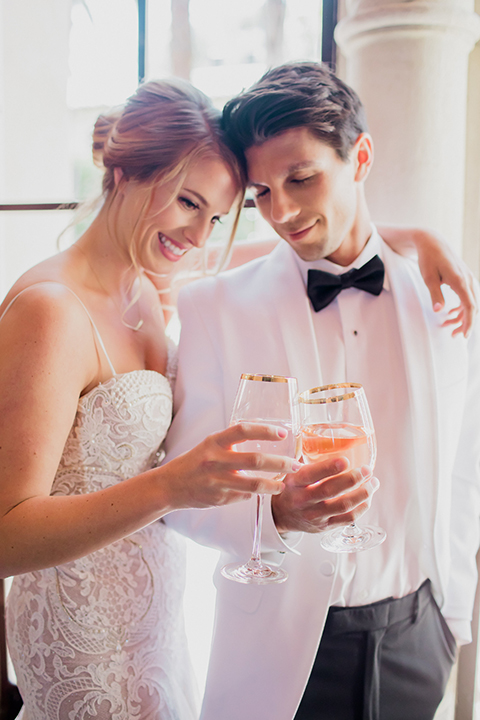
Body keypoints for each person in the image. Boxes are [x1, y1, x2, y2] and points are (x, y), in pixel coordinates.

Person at [164, 62, 480, 720]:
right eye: (262, 193)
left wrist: (452, 620)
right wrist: (274, 514)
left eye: (301, 179)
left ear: (360, 157)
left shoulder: (443, 296)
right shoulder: (214, 312)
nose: (282, 212)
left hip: (419, 639)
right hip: (279, 656)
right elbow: (175, 497)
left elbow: (462, 466)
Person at [0, 78, 316, 720]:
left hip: (153, 637)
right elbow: (5, 533)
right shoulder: (51, 313)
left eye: (217, 216)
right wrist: (174, 486)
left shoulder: (145, 290)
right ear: (123, 172)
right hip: (81, 651)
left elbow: (288, 255)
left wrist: (409, 242)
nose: (199, 236)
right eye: (187, 202)